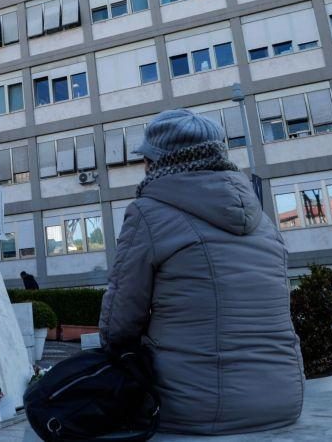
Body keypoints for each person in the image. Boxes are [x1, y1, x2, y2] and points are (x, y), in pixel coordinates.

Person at [98, 109, 303, 435]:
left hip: (193, 407)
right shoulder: (261, 219)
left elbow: (120, 319)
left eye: (146, 159)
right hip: (284, 400)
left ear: (159, 161)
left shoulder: (147, 212)